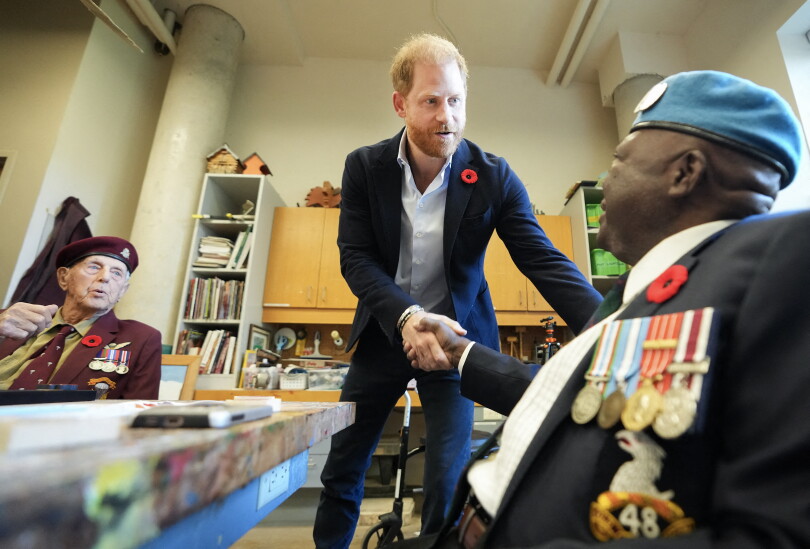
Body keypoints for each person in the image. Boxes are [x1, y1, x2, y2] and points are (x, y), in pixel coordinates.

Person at [399, 70, 809, 548]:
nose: (606, 179)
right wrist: (459, 352)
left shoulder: (785, 260)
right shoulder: (648, 289)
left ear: (685, 173)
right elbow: (578, 401)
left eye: (619, 160)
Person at [313, 33, 602, 548]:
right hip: (386, 334)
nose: (446, 116)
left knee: (449, 478)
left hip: (455, 341)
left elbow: (541, 259)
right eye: (430, 101)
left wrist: (613, 328)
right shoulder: (365, 167)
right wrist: (407, 317)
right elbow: (355, 258)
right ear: (400, 104)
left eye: (455, 100)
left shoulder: (493, 176)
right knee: (343, 468)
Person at [0, 236, 162, 399]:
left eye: (116, 273)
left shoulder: (141, 339)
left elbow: (139, 409)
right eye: (94, 267)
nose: (105, 277)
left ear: (122, 290)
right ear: (64, 277)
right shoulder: (10, 319)